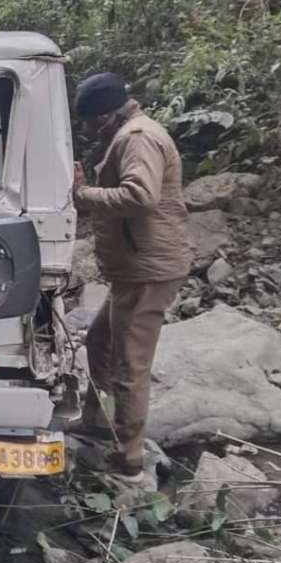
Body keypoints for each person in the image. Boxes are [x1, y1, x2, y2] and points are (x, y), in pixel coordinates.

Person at [71, 72, 190, 489]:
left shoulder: (137, 137)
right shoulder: (129, 133)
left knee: (129, 365)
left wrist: (83, 196)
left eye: (87, 121)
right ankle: (98, 424)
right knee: (99, 343)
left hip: (147, 271)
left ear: (104, 115)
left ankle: (129, 462)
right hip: (134, 269)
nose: (85, 129)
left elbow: (141, 196)